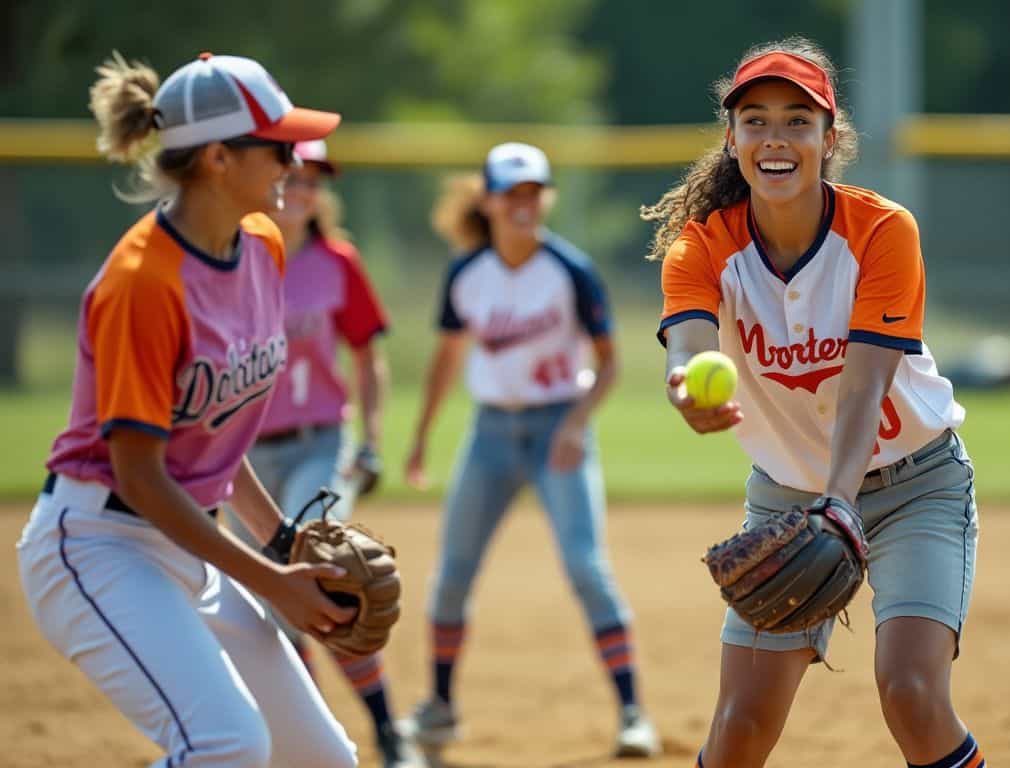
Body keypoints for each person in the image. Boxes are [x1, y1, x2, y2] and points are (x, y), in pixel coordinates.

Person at [644, 37, 987, 768]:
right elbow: (690, 349)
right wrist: (686, 389)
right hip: (786, 498)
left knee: (911, 694)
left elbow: (865, 385)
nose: (776, 137)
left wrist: (841, 502)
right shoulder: (700, 248)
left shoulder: (882, 231)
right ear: (731, 140)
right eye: (755, 120)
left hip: (916, 486)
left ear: (831, 139)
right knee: (738, 728)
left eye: (798, 121)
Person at [16, 52, 359, 767]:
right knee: (225, 745)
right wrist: (272, 585)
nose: (293, 161)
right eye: (278, 145)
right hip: (98, 544)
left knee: (323, 758)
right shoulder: (142, 284)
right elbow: (140, 476)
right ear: (217, 158)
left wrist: (283, 542)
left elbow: (216, 435)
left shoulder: (261, 244)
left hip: (190, 543)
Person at [399, 142, 661, 758]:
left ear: (546, 198)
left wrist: (577, 422)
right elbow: (445, 362)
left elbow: (610, 362)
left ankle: (632, 713)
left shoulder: (569, 270)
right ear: (488, 201)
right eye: (511, 193)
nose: (523, 204)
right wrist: (419, 441)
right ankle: (438, 710)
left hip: (556, 431)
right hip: (490, 434)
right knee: (451, 578)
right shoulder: (467, 275)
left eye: (533, 192)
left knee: (585, 568)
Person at [225, 138, 415, 767]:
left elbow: (367, 354)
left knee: (326, 573)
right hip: (244, 460)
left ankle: (389, 731)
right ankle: (307, 733)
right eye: (296, 176)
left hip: (318, 443)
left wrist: (371, 440)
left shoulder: (336, 261)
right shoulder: (234, 258)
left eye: (315, 181)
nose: (304, 190)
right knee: (268, 602)